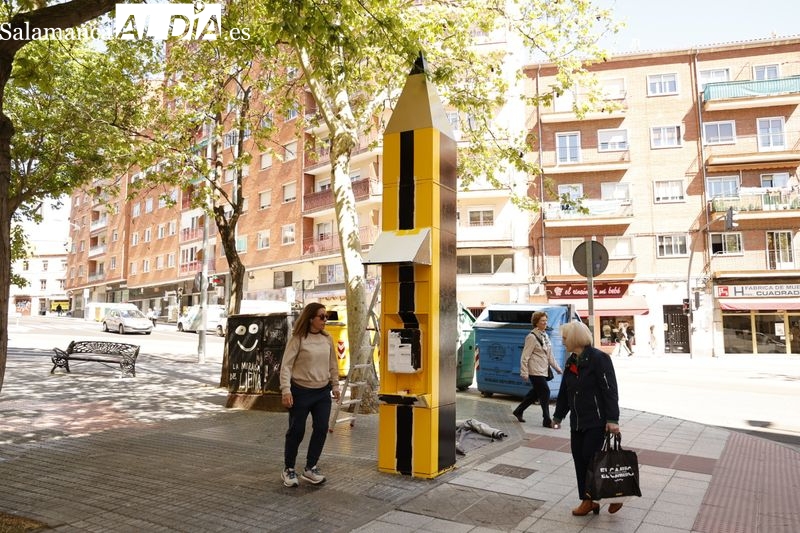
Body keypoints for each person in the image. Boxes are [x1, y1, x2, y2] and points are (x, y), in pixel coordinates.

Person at [551, 321, 622, 517]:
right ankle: (589, 500)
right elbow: (565, 391)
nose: (562, 341)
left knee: (591, 459)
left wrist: (612, 419)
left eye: (565, 338)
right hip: (578, 421)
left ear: (575, 339)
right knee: (579, 459)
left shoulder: (599, 359)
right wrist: (558, 415)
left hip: (596, 420)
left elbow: (610, 390)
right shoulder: (571, 361)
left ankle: (610, 495)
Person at [279, 302, 341, 487]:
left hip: (322, 392)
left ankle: (310, 467)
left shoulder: (327, 338)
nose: (325, 320)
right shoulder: (298, 338)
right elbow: (286, 366)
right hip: (301, 392)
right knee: (296, 431)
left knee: (321, 428)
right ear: (310, 318)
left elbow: (333, 364)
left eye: (326, 316)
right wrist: (286, 390)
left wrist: (335, 385)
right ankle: (289, 469)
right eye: (321, 316)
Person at [512, 311, 563, 427]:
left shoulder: (545, 336)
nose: (545, 323)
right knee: (545, 391)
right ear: (536, 322)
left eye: (546, 321)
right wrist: (524, 372)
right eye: (542, 321)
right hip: (534, 370)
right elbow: (525, 356)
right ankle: (546, 420)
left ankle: (518, 411)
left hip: (543, 370)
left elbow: (550, 356)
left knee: (535, 393)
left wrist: (558, 368)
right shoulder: (531, 337)